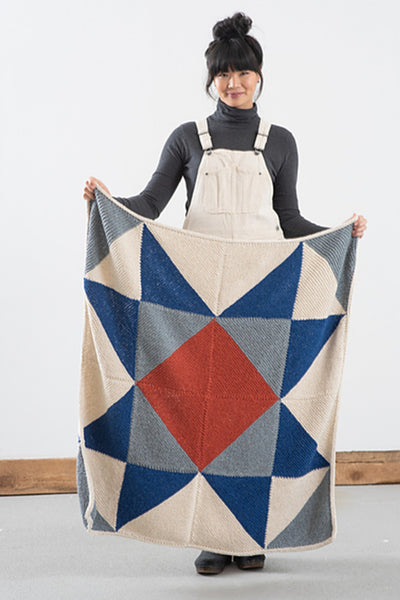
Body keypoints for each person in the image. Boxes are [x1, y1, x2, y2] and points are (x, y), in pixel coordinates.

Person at [82, 12, 367, 575]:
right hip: (194, 293)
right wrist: (107, 201)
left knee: (254, 412)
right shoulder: (187, 138)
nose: (233, 83)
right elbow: (151, 204)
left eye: (243, 72)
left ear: (259, 76)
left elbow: (289, 219)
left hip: (265, 296)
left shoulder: (280, 142)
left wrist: (339, 233)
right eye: (223, 74)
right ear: (211, 79)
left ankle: (248, 534)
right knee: (203, 415)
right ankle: (212, 534)